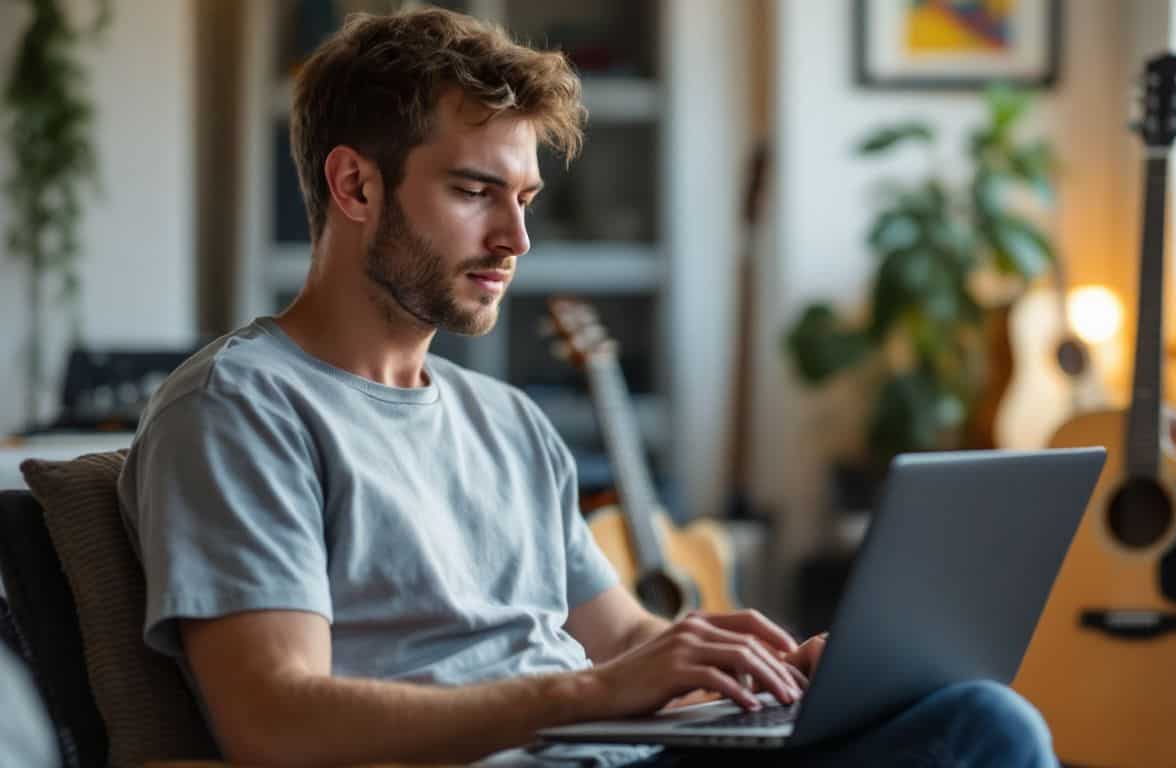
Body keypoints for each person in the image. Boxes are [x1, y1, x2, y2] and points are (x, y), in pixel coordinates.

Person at [117, 8, 1055, 767]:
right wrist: (593, 696)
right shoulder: (240, 408)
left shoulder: (505, 419)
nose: (515, 242)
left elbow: (621, 641)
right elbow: (276, 720)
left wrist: (745, 666)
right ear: (356, 187)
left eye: (522, 201)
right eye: (476, 191)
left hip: (620, 753)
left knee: (976, 716)